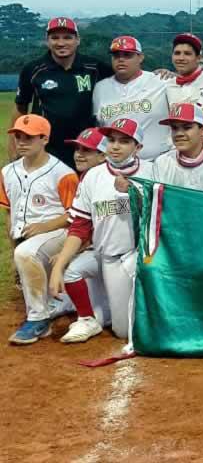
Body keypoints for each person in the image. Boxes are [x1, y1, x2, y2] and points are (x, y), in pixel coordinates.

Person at [49, 118, 153, 342]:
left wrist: (134, 193)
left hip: (145, 256)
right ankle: (92, 317)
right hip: (109, 257)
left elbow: (165, 215)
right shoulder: (93, 177)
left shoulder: (153, 171)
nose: (115, 146)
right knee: (123, 331)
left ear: (138, 147)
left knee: (141, 328)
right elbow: (79, 225)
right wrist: (58, 266)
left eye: (124, 141)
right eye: (111, 140)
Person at [3, 115, 79, 344]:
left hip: (59, 232)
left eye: (29, 137)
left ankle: (38, 320)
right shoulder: (7, 172)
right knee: (23, 253)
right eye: (18, 137)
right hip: (28, 237)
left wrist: (44, 226)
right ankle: (61, 302)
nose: (22, 142)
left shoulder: (62, 173)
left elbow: (76, 215)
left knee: (26, 253)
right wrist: (13, 242)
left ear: (44, 139)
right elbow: (9, 211)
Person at [15, 16, 112, 167]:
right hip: (47, 148)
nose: (61, 43)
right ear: (47, 41)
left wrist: (159, 74)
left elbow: (125, 76)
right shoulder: (33, 70)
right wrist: (15, 149)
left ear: (77, 40)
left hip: (85, 147)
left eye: (67, 37)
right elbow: (20, 108)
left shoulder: (94, 67)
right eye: (55, 38)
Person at [93, 36, 171, 160]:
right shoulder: (100, 88)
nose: (121, 59)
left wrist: (176, 75)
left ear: (140, 57)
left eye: (127, 55)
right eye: (116, 55)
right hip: (115, 165)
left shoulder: (161, 81)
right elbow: (98, 125)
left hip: (157, 162)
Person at [166, 32, 203, 105]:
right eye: (177, 53)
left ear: (198, 58)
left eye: (187, 53)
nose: (181, 58)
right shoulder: (167, 84)